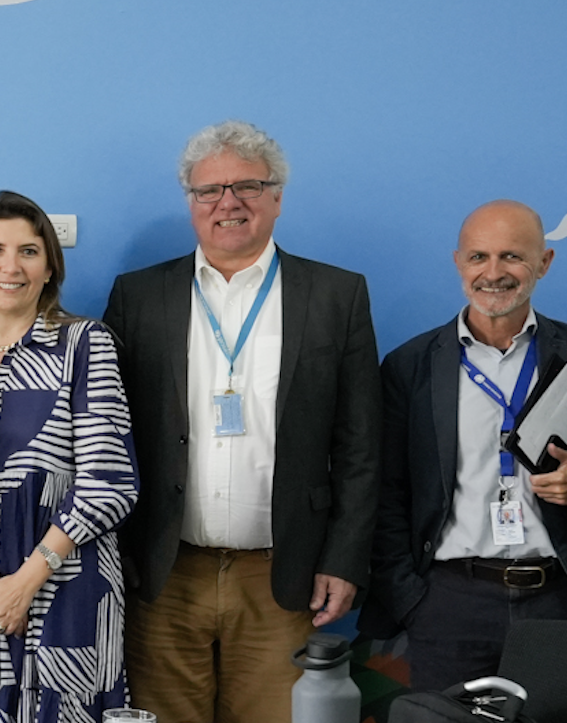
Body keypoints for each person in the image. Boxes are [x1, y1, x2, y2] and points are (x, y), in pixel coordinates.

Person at [103, 120, 377, 723]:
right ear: (191, 203)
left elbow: (361, 445)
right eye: (209, 190)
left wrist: (344, 557)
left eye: (248, 185)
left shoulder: (337, 295)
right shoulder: (139, 296)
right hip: (165, 572)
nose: (228, 202)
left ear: (276, 196)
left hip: (284, 576)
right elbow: (108, 435)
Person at [360, 200, 567, 690]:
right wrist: (411, 598)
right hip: (449, 604)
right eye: (478, 257)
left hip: (562, 598)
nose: (493, 273)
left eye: (512, 257)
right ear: (458, 262)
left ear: (545, 262)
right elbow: (386, 490)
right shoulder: (410, 366)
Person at [0, 190, 135, 722]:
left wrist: (25, 581)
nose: (11, 266)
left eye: (29, 251)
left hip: (69, 589)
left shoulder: (84, 344)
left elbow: (108, 483)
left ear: (50, 268)